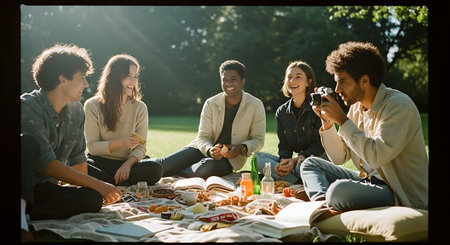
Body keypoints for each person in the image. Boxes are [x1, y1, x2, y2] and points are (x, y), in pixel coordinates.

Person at [300, 41, 428, 211]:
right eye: (336, 83)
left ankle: (328, 202)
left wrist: (342, 120)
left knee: (338, 191)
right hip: (370, 181)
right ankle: (322, 205)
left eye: (343, 82)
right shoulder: (356, 108)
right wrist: (327, 121)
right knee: (310, 164)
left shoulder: (399, 106)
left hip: (397, 190)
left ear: (364, 80)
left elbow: (376, 156)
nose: (337, 89)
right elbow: (339, 157)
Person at [21, 44, 122, 228]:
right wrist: (98, 184)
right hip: (20, 184)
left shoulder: (76, 111)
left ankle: (30, 215)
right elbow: (47, 163)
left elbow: (78, 160)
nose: (86, 84)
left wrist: (91, 188)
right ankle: (22, 215)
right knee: (96, 188)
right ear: (63, 79)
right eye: (82, 78)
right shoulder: (28, 107)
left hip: (43, 190)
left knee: (92, 198)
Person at [152, 60, 266, 179]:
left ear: (243, 81)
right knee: (162, 166)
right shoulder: (211, 103)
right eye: (225, 80)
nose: (228, 83)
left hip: (228, 160)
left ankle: (177, 170)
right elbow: (203, 137)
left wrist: (241, 148)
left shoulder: (255, 105)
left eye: (233, 79)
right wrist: (209, 150)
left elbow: (258, 140)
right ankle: (145, 164)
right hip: (201, 149)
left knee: (205, 169)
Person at [84, 54, 163, 186]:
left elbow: (141, 148)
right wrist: (121, 142)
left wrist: (127, 165)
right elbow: (92, 147)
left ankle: (108, 182)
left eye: (135, 76)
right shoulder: (92, 105)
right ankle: (116, 182)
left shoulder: (140, 107)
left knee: (155, 169)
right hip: (100, 162)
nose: (133, 82)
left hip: (128, 164)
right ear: (114, 77)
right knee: (80, 165)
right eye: (128, 76)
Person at [254, 61, 324, 184]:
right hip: (296, 163)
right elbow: (284, 145)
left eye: (298, 77)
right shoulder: (281, 112)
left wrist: (296, 160)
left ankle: (292, 179)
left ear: (309, 81)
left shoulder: (317, 107)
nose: (292, 81)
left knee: (301, 165)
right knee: (257, 158)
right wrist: (284, 162)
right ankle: (295, 180)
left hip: (316, 159)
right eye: (289, 77)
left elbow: (319, 145)